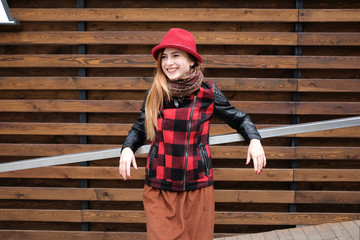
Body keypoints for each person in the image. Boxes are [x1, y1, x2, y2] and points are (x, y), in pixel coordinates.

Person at [119, 28, 266, 240]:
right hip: (160, 186)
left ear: (191, 60)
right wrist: (127, 148)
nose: (168, 62)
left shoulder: (208, 93)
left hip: (197, 186)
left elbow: (240, 118)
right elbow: (140, 128)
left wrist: (254, 139)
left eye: (176, 55)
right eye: (165, 57)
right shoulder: (155, 94)